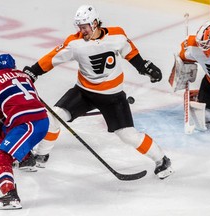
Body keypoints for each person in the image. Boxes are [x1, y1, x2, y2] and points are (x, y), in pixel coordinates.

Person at [23, 5, 173, 179]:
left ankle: (162, 160)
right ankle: (42, 155)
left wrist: (146, 68)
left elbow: (130, 53)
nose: (82, 31)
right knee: (55, 116)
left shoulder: (117, 35)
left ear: (95, 23)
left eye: (84, 26)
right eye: (79, 27)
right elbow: (52, 58)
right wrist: (34, 71)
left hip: (113, 97)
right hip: (84, 92)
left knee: (128, 136)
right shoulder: (75, 43)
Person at [0, 54, 56, 210]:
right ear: (13, 66)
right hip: (39, 119)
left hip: (28, 123)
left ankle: (10, 195)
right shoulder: (24, 76)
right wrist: (1, 119)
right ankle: (26, 159)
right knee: (2, 131)